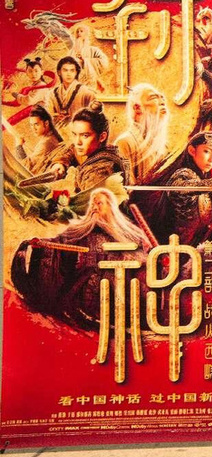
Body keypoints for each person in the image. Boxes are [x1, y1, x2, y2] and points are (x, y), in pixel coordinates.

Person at [10, 188, 150, 330]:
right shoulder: (77, 231)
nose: (94, 208)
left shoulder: (130, 234)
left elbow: (145, 253)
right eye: (92, 204)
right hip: (85, 295)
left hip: (121, 289)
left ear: (111, 208)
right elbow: (58, 242)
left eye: (99, 203)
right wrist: (42, 244)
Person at [155, 131, 212, 244]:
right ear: (192, 151)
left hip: (198, 242)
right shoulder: (183, 174)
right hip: (176, 242)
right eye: (207, 151)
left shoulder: (203, 178)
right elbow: (182, 187)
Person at [49, 101, 129, 194]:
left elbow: (93, 206)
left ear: (102, 137)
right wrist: (61, 163)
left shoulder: (99, 172)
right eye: (75, 135)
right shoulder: (103, 152)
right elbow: (72, 149)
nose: (77, 142)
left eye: (85, 136)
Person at [114, 83, 171, 183]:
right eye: (153, 97)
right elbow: (126, 189)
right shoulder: (124, 143)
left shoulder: (164, 147)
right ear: (137, 108)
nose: (162, 102)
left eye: (162, 97)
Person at [45, 56, 95, 128]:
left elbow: (94, 115)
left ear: (76, 73)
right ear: (59, 72)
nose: (68, 74)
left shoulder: (86, 92)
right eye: (65, 70)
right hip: (58, 132)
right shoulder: (52, 94)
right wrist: (55, 116)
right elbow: (47, 114)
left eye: (72, 70)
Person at [14, 105, 63, 175]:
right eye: (31, 125)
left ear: (46, 123)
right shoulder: (50, 137)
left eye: (36, 124)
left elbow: (26, 168)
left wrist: (19, 146)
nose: (33, 128)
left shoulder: (46, 143)